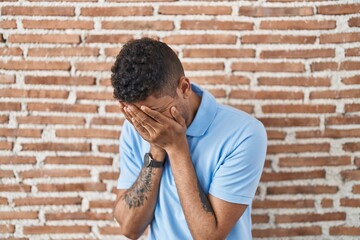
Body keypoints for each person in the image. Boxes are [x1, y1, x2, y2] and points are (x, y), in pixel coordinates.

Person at [111, 37, 267, 240]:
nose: (148, 123)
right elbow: (129, 228)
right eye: (139, 114)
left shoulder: (245, 133)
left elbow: (208, 236)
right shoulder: (135, 125)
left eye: (156, 113)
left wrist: (176, 148)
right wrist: (157, 149)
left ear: (184, 88)